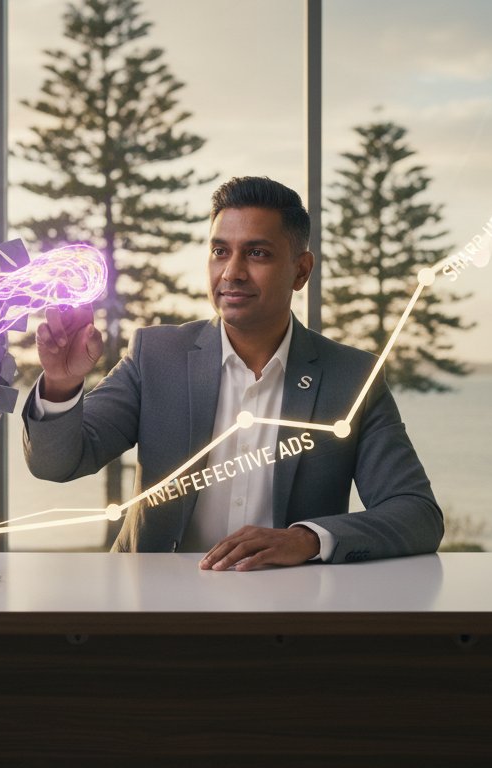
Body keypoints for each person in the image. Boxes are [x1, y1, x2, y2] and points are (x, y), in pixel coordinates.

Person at [23, 176, 442, 570]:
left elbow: (417, 513)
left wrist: (306, 539)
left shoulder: (351, 377)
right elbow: (57, 464)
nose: (232, 272)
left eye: (257, 253)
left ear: (301, 270)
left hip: (289, 611)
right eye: (220, 251)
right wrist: (61, 384)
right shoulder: (157, 356)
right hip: (154, 605)